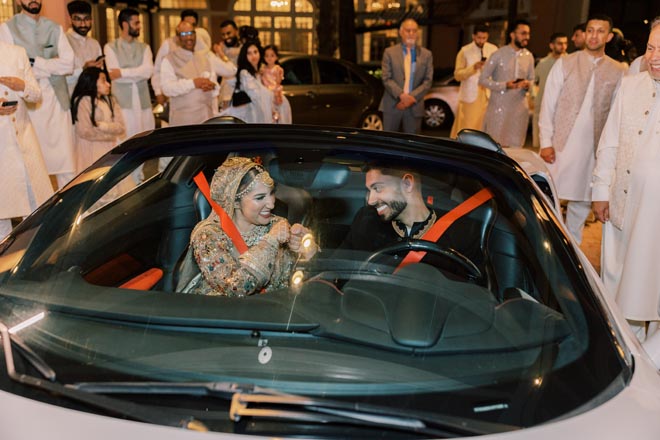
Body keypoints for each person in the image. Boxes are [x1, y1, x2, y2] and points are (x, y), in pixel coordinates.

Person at [591, 17, 660, 352]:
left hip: (655, 214)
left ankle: (648, 354)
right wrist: (600, 191)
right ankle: (619, 346)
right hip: (621, 201)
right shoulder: (631, 85)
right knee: (617, 280)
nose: (654, 56)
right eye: (650, 47)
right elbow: (610, 141)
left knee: (650, 286)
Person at [539, 14, 626, 245]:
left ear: (608, 36)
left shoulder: (618, 71)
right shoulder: (565, 62)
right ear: (585, 33)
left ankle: (572, 247)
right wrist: (545, 141)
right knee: (550, 196)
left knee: (582, 202)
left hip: (592, 150)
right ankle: (549, 242)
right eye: (590, 30)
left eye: (600, 31)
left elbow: (617, 116)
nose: (594, 35)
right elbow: (548, 104)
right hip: (561, 144)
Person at [189, 157, 316, 296]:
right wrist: (270, 241)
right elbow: (237, 288)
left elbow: (295, 284)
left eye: (272, 193)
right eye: (260, 197)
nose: (272, 204)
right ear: (235, 202)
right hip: (223, 314)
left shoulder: (277, 225)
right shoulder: (208, 235)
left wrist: (307, 254)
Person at [339, 162, 480, 271]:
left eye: (377, 188)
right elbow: (335, 267)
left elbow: (471, 295)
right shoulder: (366, 221)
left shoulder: (460, 233)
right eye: (369, 190)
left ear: (407, 184)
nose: (370, 200)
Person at [0, 0, 76, 190]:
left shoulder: (55, 28)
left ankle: (67, 214)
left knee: (66, 162)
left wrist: (37, 63)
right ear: (18, 1)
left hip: (58, 102)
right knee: (33, 165)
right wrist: (51, 66)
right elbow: (11, 70)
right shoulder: (7, 28)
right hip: (27, 105)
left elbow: (69, 64)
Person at [0, 41, 53, 241]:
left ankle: (35, 255)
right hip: (1, 147)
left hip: (23, 140)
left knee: (36, 205)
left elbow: (36, 94)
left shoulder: (16, 52)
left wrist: (21, 86)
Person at [160, 21, 236, 126]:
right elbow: (167, 88)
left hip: (206, 118)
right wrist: (193, 83)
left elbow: (220, 81)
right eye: (184, 34)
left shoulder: (205, 57)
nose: (189, 37)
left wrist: (212, 86)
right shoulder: (169, 59)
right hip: (184, 121)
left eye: (191, 33)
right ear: (177, 38)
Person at [479, 19, 534, 148]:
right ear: (512, 35)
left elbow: (532, 79)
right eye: (523, 33)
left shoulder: (529, 56)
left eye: (528, 34)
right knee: (495, 146)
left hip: (519, 108)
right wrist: (504, 85)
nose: (527, 37)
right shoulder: (498, 54)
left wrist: (527, 84)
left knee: (516, 146)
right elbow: (482, 79)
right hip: (499, 107)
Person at [104, 8, 154, 140]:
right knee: (125, 140)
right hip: (122, 103)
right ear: (125, 24)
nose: (139, 26)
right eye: (136, 23)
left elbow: (148, 72)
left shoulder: (145, 47)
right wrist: (137, 72)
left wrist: (123, 72)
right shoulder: (110, 47)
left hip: (143, 102)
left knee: (146, 139)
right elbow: (114, 76)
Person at [380, 18, 434, 134]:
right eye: (408, 30)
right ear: (401, 32)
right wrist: (401, 96)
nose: (411, 34)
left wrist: (411, 98)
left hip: (414, 106)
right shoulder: (389, 53)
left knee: (412, 145)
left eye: (414, 31)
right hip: (392, 105)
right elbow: (386, 78)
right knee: (388, 143)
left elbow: (428, 81)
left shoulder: (426, 55)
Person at [152, 11, 214, 108]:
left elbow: (211, 75)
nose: (188, 36)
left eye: (192, 26)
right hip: (179, 105)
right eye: (184, 32)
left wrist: (211, 85)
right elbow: (157, 70)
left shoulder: (201, 47)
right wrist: (158, 92)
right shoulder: (168, 44)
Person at [70, 67, 125, 172]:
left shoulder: (110, 100)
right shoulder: (83, 101)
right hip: (90, 151)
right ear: (92, 81)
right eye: (103, 80)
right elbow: (85, 131)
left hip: (109, 148)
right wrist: (110, 134)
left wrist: (103, 126)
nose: (108, 84)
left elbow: (121, 127)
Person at [449, 24, 498, 138]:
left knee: (486, 129)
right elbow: (457, 75)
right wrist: (473, 68)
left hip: (488, 95)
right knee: (468, 129)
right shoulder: (465, 51)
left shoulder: (493, 49)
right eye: (479, 38)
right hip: (470, 96)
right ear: (473, 36)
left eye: (484, 38)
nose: (481, 41)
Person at [220, 40, 274, 123]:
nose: (253, 56)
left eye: (255, 52)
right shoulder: (245, 73)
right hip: (250, 116)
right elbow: (255, 95)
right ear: (244, 56)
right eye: (249, 53)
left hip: (258, 114)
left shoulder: (258, 74)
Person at [532, 32, 568, 148]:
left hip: (562, 110)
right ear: (552, 45)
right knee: (539, 144)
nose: (563, 46)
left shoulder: (570, 62)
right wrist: (534, 96)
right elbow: (532, 81)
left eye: (565, 43)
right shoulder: (543, 63)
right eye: (559, 43)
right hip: (542, 107)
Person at [65, 0, 103, 96]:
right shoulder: (64, 41)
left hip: (93, 99)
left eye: (86, 19)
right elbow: (62, 77)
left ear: (91, 20)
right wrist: (83, 69)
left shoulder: (95, 44)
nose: (83, 24)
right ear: (70, 20)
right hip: (72, 98)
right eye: (78, 19)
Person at [214, 20, 242, 110]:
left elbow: (235, 69)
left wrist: (222, 55)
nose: (226, 37)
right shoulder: (220, 49)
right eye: (223, 34)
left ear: (236, 31)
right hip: (225, 94)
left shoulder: (244, 48)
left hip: (242, 91)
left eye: (229, 33)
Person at [261, 45, 292, 124]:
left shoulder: (277, 68)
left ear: (276, 57)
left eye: (272, 55)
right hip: (265, 95)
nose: (269, 58)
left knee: (277, 115)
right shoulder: (263, 69)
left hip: (275, 93)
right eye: (267, 55)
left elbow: (278, 82)